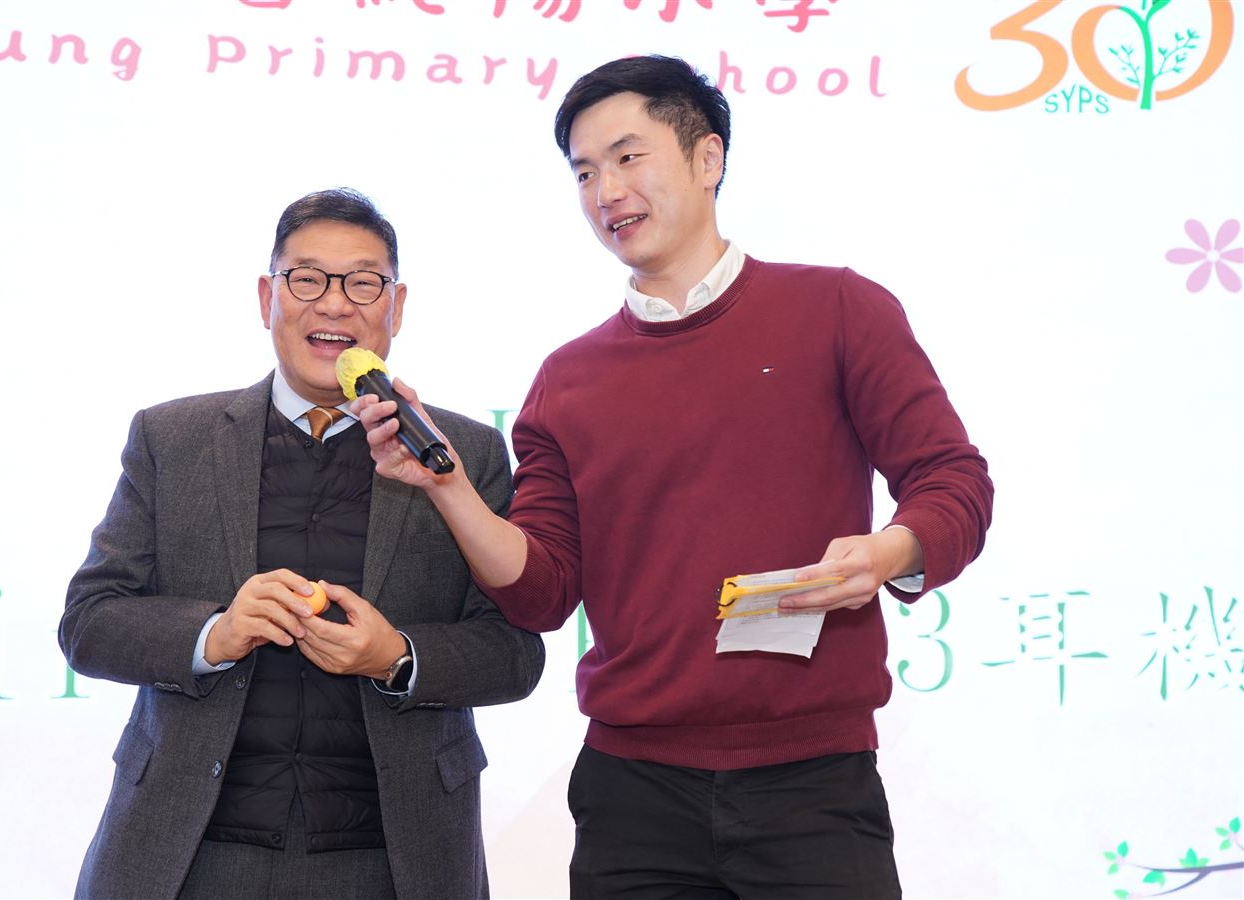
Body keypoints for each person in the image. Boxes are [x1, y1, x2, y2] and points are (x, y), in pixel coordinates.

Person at [354, 56, 994, 898]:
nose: (605, 192)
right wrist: (446, 486)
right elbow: (541, 592)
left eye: (627, 157)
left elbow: (952, 478)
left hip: (813, 784)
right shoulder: (567, 379)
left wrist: (889, 552)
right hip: (632, 796)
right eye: (584, 173)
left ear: (706, 158)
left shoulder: (839, 310)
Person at [59, 187, 545, 900]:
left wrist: (397, 656)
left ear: (396, 307)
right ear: (268, 299)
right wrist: (214, 634)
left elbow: (514, 653)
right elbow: (89, 622)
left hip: (391, 860)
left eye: (363, 283)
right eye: (308, 279)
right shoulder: (172, 439)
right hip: (192, 854)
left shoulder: (457, 453)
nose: (335, 305)